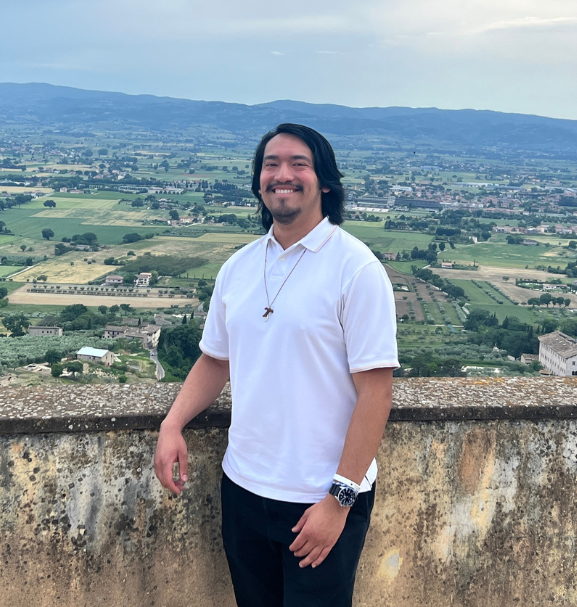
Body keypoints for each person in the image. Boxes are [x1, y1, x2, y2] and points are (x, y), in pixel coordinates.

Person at [154, 123, 399, 607]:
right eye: (271, 164)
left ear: (324, 182)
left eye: (298, 164)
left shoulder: (358, 269)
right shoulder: (239, 267)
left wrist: (338, 501)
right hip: (243, 488)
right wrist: (172, 422)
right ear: (258, 182)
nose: (282, 174)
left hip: (321, 498)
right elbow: (214, 359)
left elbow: (376, 393)